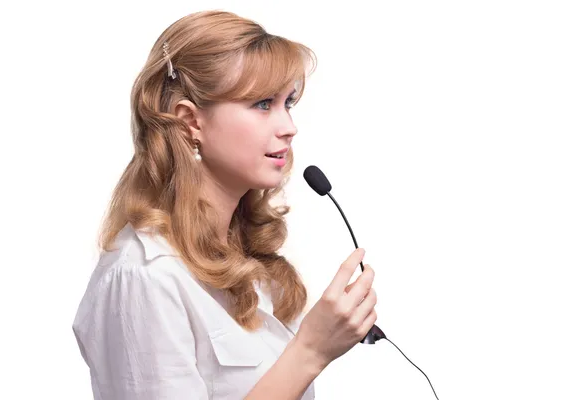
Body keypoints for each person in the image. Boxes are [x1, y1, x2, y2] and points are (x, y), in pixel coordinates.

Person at [72, 10, 378, 400]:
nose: (289, 126)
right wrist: (311, 351)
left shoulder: (248, 261)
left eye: (289, 102)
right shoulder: (144, 275)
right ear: (190, 122)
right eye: (263, 103)